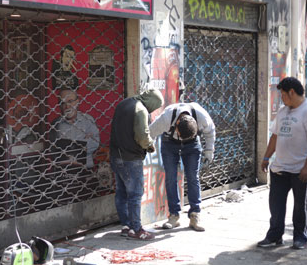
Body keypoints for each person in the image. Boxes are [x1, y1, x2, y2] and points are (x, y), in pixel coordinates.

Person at [257, 77, 307, 250]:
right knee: (276, 206)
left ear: (292, 92)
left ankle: (300, 237)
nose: (282, 98)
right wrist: (266, 158)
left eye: (283, 95)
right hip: (279, 168)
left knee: (300, 206)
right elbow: (275, 136)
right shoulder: (282, 111)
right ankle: (275, 235)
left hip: (299, 169)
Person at [149, 102, 216, 232]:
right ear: (177, 126)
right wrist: (148, 147)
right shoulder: (166, 118)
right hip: (170, 143)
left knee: (192, 177)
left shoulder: (201, 116)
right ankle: (174, 216)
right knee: (171, 178)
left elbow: (210, 131)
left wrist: (209, 151)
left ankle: (195, 214)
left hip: (192, 144)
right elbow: (151, 133)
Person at [110, 89, 164, 240]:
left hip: (116, 155)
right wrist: (150, 145)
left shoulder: (123, 103)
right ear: (153, 102)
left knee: (121, 192)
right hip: (131, 158)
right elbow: (142, 136)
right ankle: (137, 229)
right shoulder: (141, 110)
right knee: (135, 194)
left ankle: (126, 226)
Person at [50, 88, 99, 168]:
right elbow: (53, 148)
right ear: (59, 105)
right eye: (63, 103)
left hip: (86, 168)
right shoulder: (56, 123)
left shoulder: (88, 120)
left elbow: (95, 143)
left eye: (70, 101)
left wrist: (70, 150)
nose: (67, 106)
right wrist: (83, 143)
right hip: (64, 170)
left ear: (77, 101)